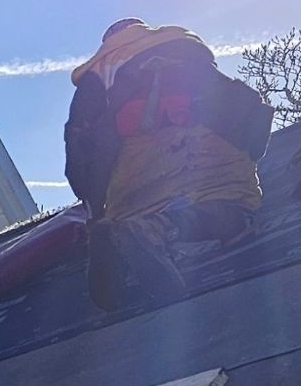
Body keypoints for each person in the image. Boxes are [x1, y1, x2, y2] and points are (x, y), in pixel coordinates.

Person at [64, 19, 273, 311]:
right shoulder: (183, 46)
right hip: (206, 151)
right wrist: (250, 152)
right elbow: (247, 111)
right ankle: (159, 229)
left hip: (134, 169)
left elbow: (80, 149)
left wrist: (94, 211)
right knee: (237, 204)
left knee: (128, 217)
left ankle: (118, 239)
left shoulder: (96, 74)